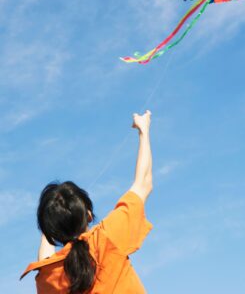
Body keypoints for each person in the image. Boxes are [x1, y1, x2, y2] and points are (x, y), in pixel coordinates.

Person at [21, 110, 153, 293]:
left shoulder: (47, 278)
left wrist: (52, 220)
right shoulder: (107, 237)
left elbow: (45, 259)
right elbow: (143, 183)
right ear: (89, 215)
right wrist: (143, 130)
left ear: (51, 231)